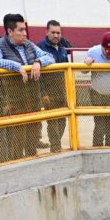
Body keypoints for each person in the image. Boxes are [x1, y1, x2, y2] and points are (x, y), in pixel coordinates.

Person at [0, 13, 56, 160]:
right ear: (10, 31)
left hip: (33, 102)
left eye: (25, 29)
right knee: (16, 144)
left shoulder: (28, 44)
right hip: (15, 104)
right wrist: (16, 66)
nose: (25, 33)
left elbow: (50, 57)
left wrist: (38, 62)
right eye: (21, 30)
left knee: (32, 141)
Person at [36, 20, 71, 152]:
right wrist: (43, 93)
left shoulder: (62, 48)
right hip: (48, 92)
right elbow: (37, 74)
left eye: (58, 33)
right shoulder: (40, 48)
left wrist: (68, 90)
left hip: (62, 90)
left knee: (63, 119)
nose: (56, 35)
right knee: (53, 121)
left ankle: (57, 144)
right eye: (53, 32)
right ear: (47, 32)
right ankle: (55, 147)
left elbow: (66, 70)